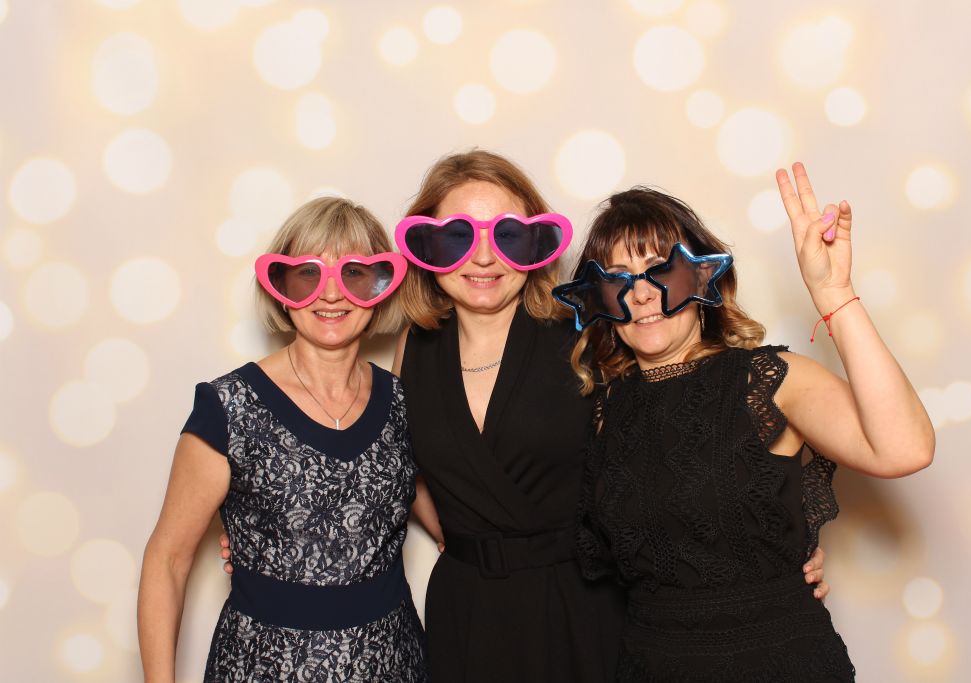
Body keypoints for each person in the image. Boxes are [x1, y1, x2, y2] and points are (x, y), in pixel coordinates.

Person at [217, 151, 830, 682]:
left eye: (507, 235)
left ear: (536, 244)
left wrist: (774, 550)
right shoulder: (415, 346)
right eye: (458, 237)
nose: (484, 258)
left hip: (581, 606)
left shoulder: (586, 334)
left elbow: (687, 438)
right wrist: (284, 534)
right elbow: (400, 468)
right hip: (468, 610)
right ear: (427, 248)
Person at [563, 165, 935, 681]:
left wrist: (834, 293)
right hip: (651, 665)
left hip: (779, 663)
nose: (641, 294)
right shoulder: (606, 409)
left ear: (702, 277)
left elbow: (904, 449)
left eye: (661, 270)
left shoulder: (768, 380)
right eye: (617, 278)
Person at [138, 197, 427, 682]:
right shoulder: (229, 407)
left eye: (354, 274)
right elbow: (167, 561)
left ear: (382, 286)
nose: (330, 294)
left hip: (393, 664)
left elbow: (455, 521)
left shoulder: (402, 401)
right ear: (280, 287)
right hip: (263, 668)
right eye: (308, 274)